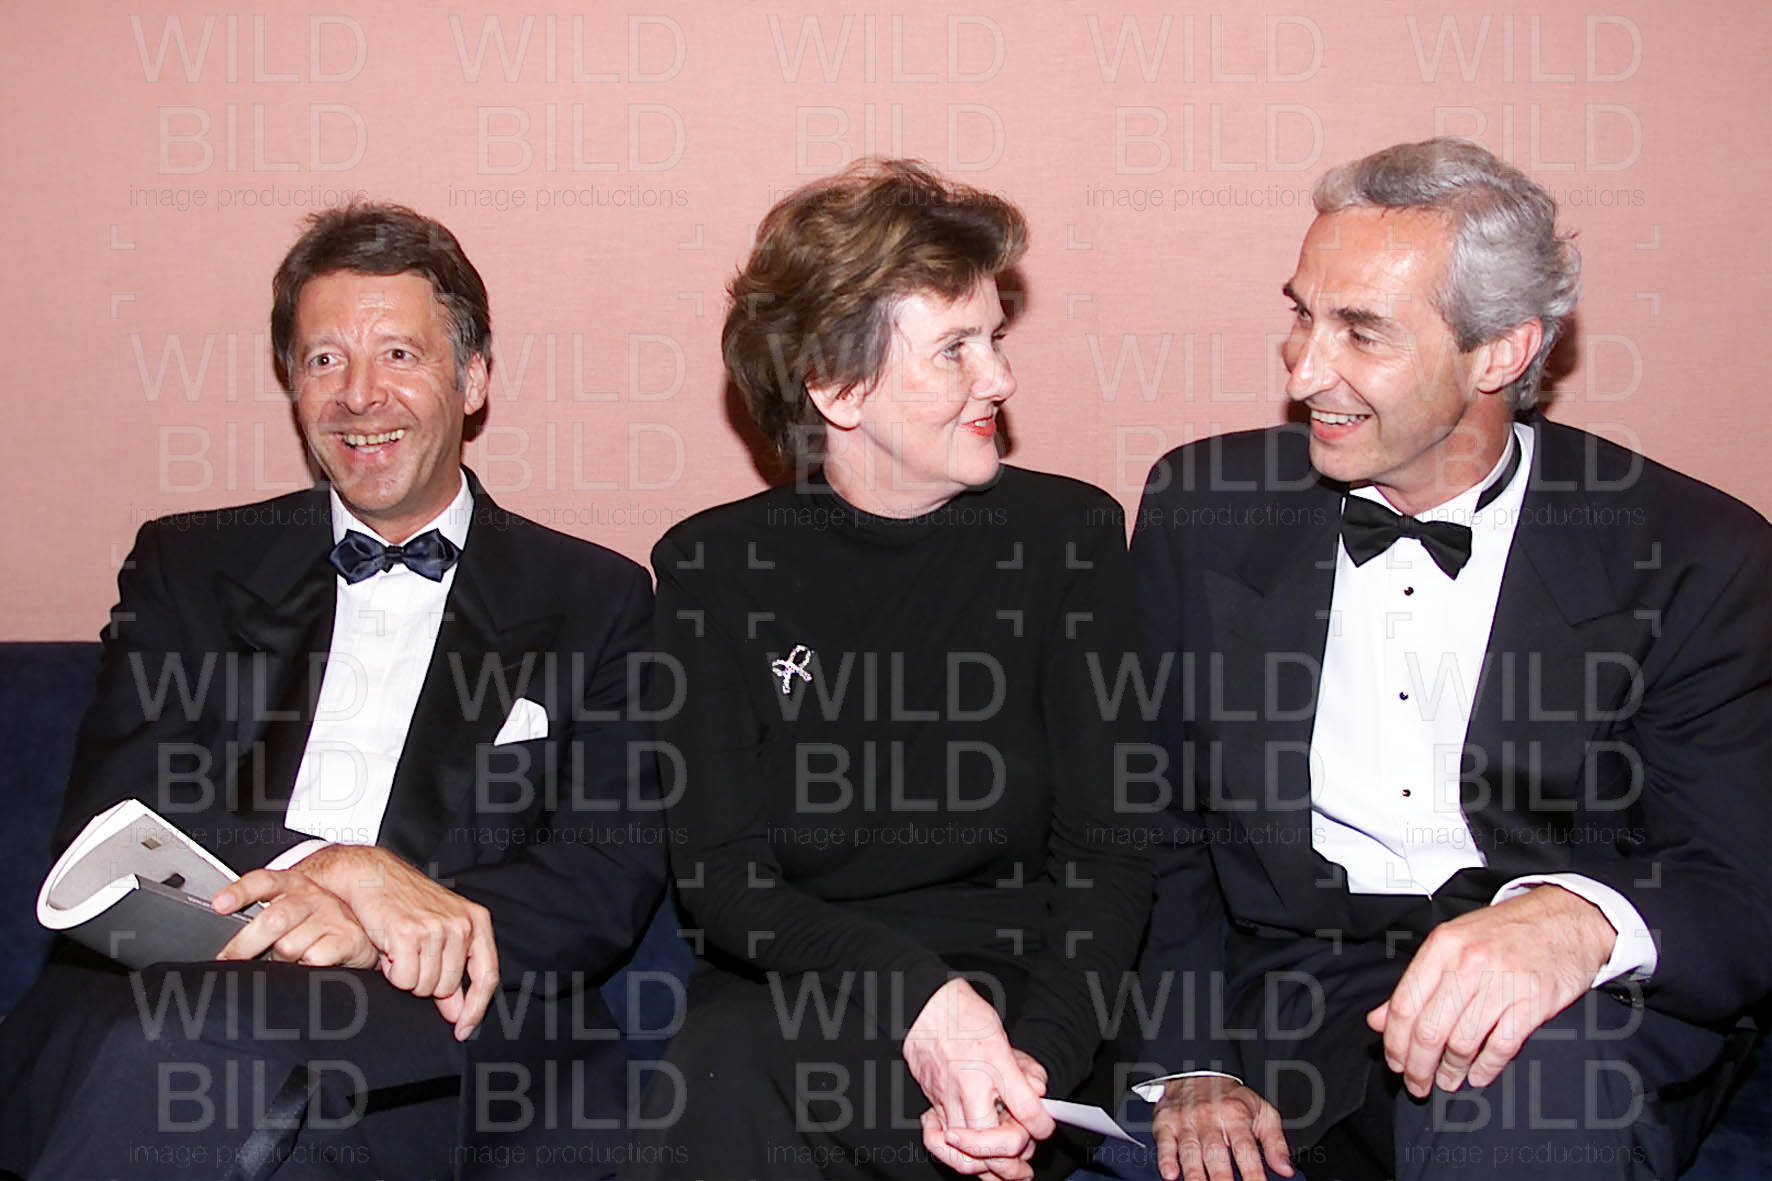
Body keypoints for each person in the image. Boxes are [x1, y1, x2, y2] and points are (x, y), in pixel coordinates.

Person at [1122, 136, 1771, 1181]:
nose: (1303, 370)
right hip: (1291, 994)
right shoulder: (1202, 508)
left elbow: (1739, 883)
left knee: (1524, 1114)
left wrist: (1578, 918)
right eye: (1301, 314)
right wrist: (1187, 1058)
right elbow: (1151, 817)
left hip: (1570, 1015)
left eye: (1360, 331)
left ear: (1501, 352)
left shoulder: (1693, 554)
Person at [0, 203, 668, 1180]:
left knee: (202, 1080)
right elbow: (117, 814)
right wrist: (334, 868)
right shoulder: (188, 564)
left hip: (436, 1020)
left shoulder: (594, 597)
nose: (359, 395)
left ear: (473, 378)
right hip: (190, 976)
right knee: (201, 1070)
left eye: (399, 354)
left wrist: (391, 922)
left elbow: (607, 871)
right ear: (292, 382)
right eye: (324, 359)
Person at [627, 159, 1152, 1180]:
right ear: (835, 385)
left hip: (1030, 997)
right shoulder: (711, 569)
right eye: (955, 348)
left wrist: (1032, 1065)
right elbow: (723, 880)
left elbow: (1111, 856)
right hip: (799, 988)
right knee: (727, 1080)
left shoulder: (1068, 540)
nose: (998, 378)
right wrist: (918, 994)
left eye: (994, 339)